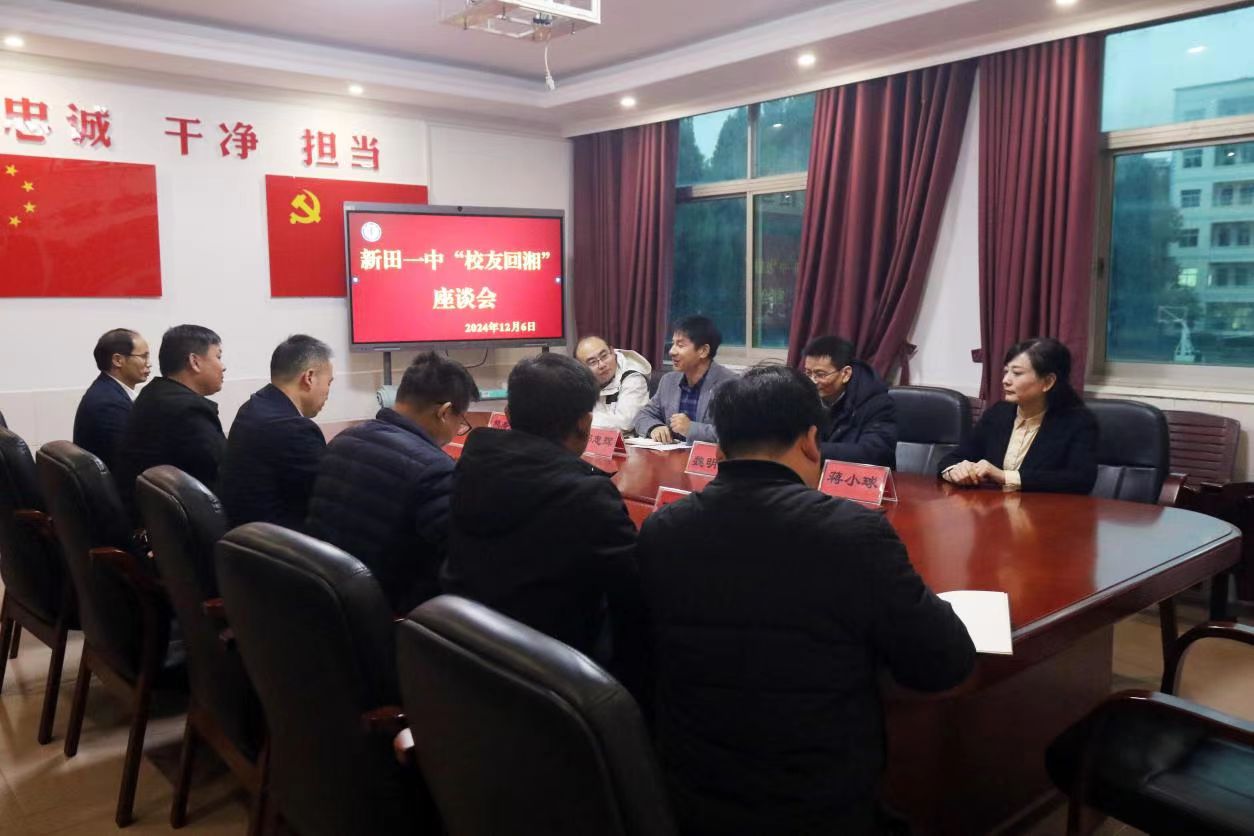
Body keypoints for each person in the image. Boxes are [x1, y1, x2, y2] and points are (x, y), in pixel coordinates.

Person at [638, 365, 976, 836]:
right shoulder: (852, 534)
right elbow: (942, 663)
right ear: (811, 441)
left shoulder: (662, 530)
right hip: (817, 797)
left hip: (689, 789)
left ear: (719, 446)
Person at [442, 353, 646, 690]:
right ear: (585, 424)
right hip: (553, 675)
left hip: (469, 654)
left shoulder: (472, 463)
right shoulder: (587, 495)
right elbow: (635, 594)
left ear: (507, 415)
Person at [306, 352, 477, 614]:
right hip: (387, 616)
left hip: (324, 601)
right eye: (461, 421)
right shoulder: (435, 471)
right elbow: (457, 567)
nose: (458, 431)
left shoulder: (343, 440)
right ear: (444, 412)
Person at [938, 337, 1097, 493]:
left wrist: (1004, 476)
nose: (1005, 380)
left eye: (1017, 373)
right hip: (993, 507)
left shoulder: (1078, 422)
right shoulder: (997, 414)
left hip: (1045, 509)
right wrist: (955, 470)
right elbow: (953, 458)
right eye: (1006, 371)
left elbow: (1080, 480)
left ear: (1048, 382)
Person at [217, 335, 334, 529]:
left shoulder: (253, 406)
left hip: (242, 535)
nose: (328, 392)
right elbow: (327, 499)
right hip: (277, 541)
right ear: (309, 378)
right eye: (329, 382)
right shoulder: (296, 430)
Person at [115, 324, 227, 521]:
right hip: (178, 525)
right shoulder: (188, 410)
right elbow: (223, 472)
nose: (223, 366)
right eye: (218, 356)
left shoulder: (154, 394)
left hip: (155, 518)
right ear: (194, 362)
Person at [632, 315, 736, 443]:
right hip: (671, 454)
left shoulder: (730, 384)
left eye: (680, 345)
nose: (671, 351)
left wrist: (691, 428)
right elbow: (642, 415)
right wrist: (654, 427)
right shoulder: (668, 381)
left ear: (703, 351)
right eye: (673, 344)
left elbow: (735, 433)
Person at [802, 335, 897, 468]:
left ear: (845, 374)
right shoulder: (805, 396)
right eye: (808, 373)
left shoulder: (878, 403)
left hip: (857, 477)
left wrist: (811, 450)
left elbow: (876, 453)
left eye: (820, 375)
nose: (812, 381)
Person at [73, 328, 151, 474]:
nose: (149, 363)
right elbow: (130, 463)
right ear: (117, 360)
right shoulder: (109, 404)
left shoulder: (108, 390)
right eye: (143, 356)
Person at [573, 335, 652, 433]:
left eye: (604, 356)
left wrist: (578, 420)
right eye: (592, 362)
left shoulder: (633, 377)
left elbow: (625, 423)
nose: (602, 365)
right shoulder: (577, 380)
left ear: (612, 351)